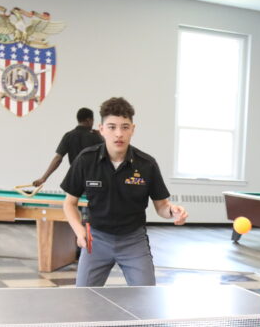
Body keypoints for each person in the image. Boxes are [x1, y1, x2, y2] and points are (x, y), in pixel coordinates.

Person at [61, 97, 187, 287]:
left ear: (133, 129)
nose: (118, 133)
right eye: (112, 127)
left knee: (145, 300)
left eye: (125, 127)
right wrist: (79, 232)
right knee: (83, 300)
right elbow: (69, 203)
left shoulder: (147, 164)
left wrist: (172, 211)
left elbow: (162, 206)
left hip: (133, 241)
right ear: (101, 129)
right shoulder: (86, 160)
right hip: (95, 240)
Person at [32, 107, 102, 187]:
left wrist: (43, 178)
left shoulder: (68, 136)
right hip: (94, 181)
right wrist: (102, 137)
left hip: (75, 180)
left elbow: (58, 158)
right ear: (89, 120)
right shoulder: (96, 137)